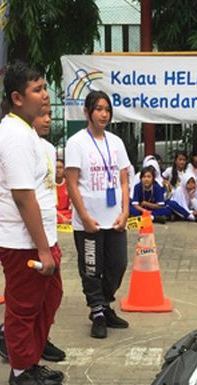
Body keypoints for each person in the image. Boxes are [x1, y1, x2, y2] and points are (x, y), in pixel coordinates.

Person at [0, 63, 65, 385]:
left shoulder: (27, 133)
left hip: (38, 238)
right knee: (25, 306)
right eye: (37, 89)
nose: (45, 94)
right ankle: (22, 370)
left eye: (45, 87)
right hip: (23, 242)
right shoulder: (15, 136)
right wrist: (43, 249)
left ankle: (29, 356)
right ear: (18, 98)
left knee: (50, 296)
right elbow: (22, 197)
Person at [65, 91, 131, 341]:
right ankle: (98, 312)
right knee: (92, 269)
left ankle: (104, 305)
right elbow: (71, 184)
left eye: (107, 109)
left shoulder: (116, 142)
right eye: (99, 109)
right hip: (88, 221)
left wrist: (125, 211)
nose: (104, 114)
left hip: (114, 219)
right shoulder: (76, 142)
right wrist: (83, 216)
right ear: (87, 112)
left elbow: (124, 180)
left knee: (118, 264)